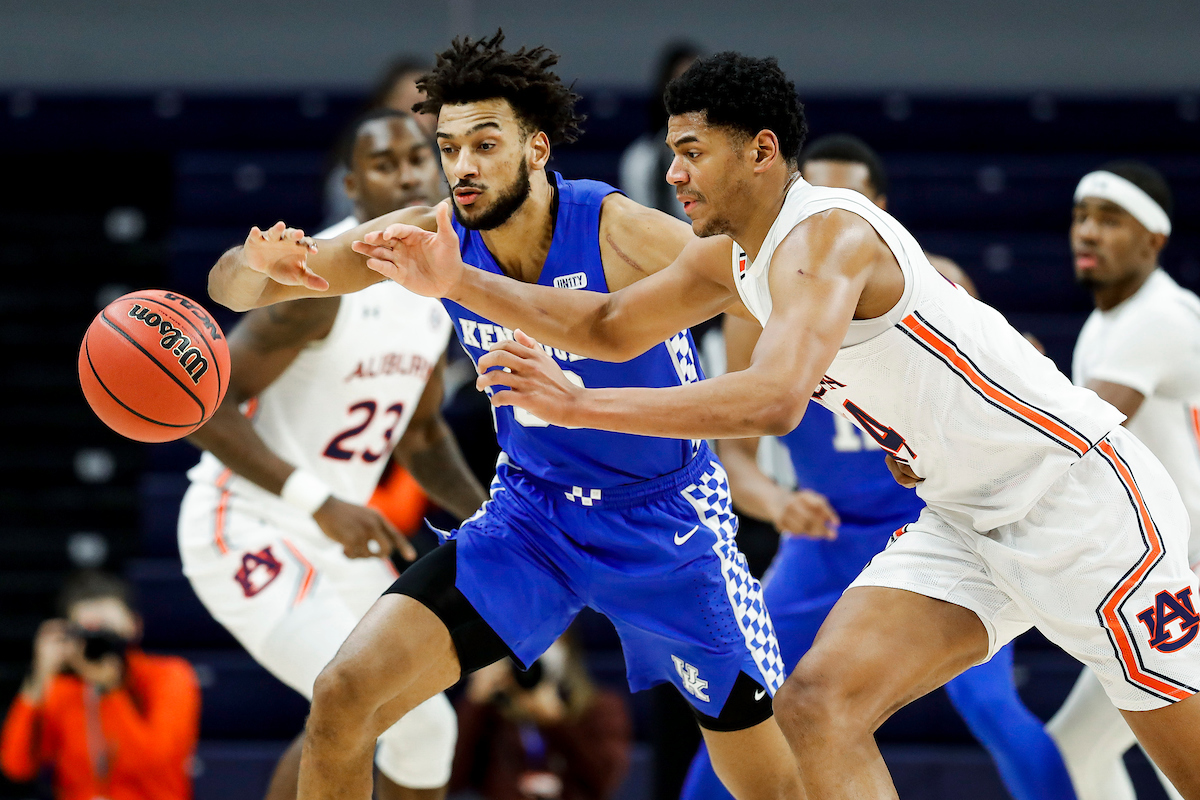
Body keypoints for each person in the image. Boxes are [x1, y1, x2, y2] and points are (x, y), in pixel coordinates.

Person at [355, 52, 1200, 799]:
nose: (675, 175)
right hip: (965, 518)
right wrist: (454, 281)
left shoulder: (827, 234)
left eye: (693, 153)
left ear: (761, 151)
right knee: (816, 709)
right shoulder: (737, 254)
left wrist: (577, 404)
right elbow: (609, 326)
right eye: (673, 152)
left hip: (1080, 501)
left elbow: (770, 401)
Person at [206, 32, 804, 800]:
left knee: (772, 783)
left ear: (536, 149)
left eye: (485, 144)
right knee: (343, 695)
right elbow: (232, 288)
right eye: (449, 146)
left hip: (670, 525)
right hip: (533, 518)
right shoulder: (433, 234)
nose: (462, 165)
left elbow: (770, 286)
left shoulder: (616, 228)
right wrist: (259, 269)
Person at [680, 134, 1077, 800]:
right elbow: (737, 464)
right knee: (738, 703)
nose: (827, 220)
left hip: (928, 527)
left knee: (992, 707)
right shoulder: (757, 298)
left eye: (849, 201)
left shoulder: (934, 279)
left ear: (879, 211)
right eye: (815, 201)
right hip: (824, 539)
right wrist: (778, 504)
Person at [180, 108, 487, 800]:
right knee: (357, 699)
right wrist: (317, 502)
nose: (408, 172)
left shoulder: (437, 284)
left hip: (336, 536)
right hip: (246, 523)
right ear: (353, 185)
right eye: (385, 163)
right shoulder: (320, 282)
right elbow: (202, 403)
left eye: (417, 158)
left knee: (427, 728)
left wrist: (494, 515)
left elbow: (423, 433)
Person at [1045, 162, 1198, 800]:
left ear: (1153, 242)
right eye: (1082, 217)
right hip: (1162, 576)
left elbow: (1071, 440)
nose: (1088, 232)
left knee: (1132, 756)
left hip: (1185, 579)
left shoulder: (1156, 317)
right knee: (1085, 752)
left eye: (1110, 221)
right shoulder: (1111, 319)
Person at [0, 572, 200, 800]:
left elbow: (153, 762)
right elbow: (17, 766)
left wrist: (110, 689)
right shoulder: (64, 689)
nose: (99, 642)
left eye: (107, 632)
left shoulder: (170, 676)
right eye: (88, 633)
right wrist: (39, 677)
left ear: (135, 626)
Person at [450, 633, 632, 800]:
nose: (532, 657)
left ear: (566, 648)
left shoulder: (600, 707)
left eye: (547, 639)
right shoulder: (491, 712)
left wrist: (558, 722)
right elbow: (451, 780)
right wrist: (475, 701)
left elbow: (604, 784)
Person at [325, 57, 437, 223]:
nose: (410, 179)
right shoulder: (332, 242)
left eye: (418, 160)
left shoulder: (453, 164)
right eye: (414, 104)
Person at [619, 42, 702, 220]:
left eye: (699, 85)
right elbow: (643, 229)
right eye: (681, 85)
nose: (691, 96)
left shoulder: (734, 155)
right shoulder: (641, 160)